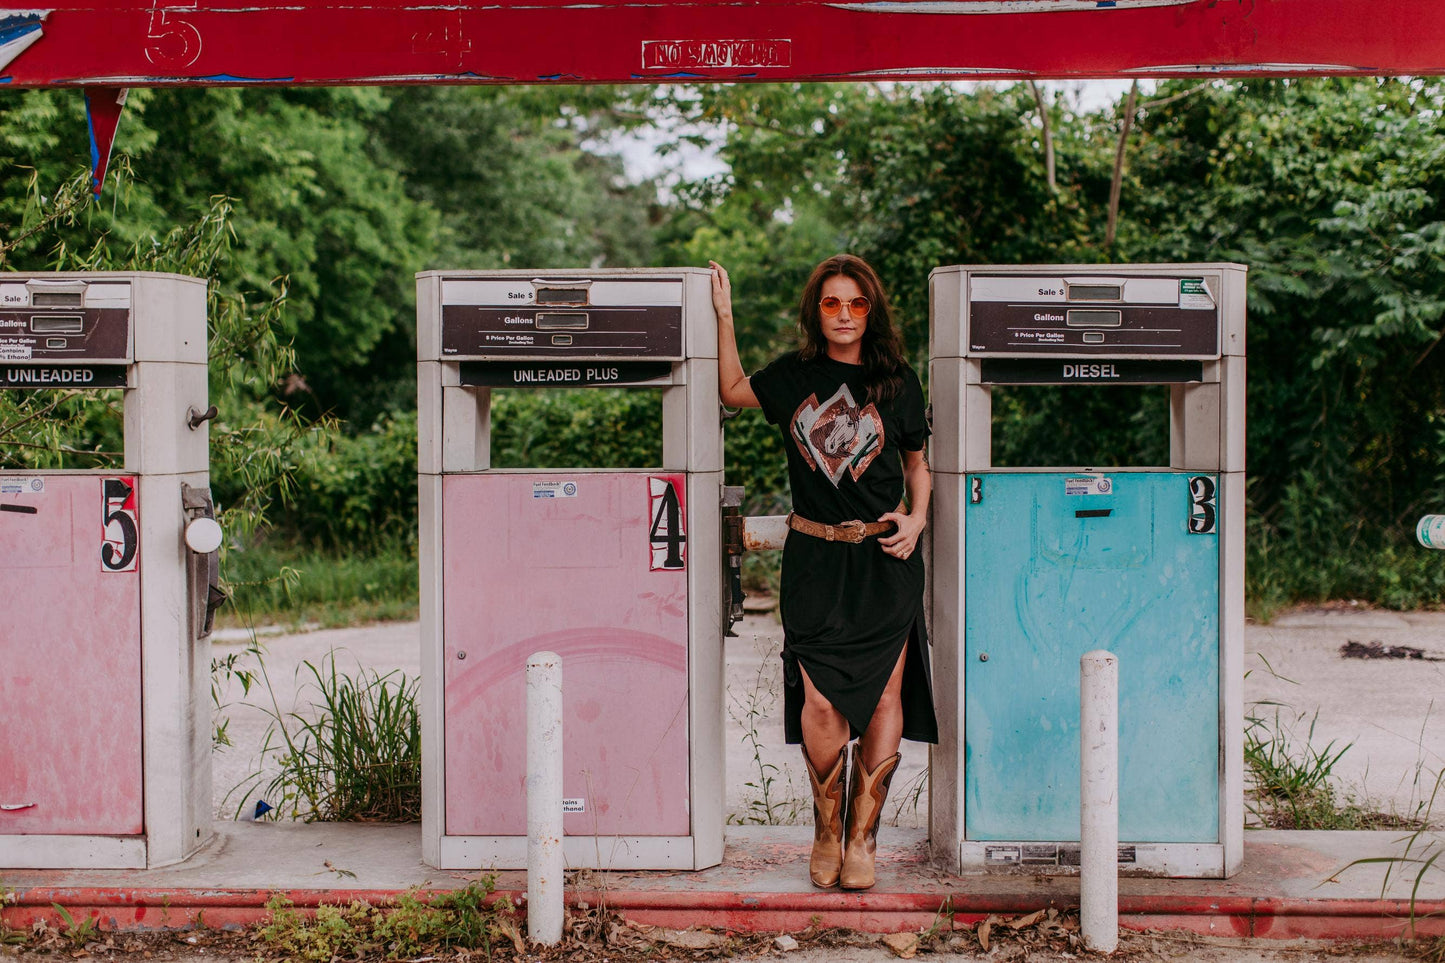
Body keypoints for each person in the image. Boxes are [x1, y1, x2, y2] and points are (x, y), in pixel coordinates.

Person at [711, 254, 937, 890]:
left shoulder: (897, 382)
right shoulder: (793, 377)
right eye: (832, 304)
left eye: (856, 304)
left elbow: (918, 464)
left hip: (884, 560)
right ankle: (825, 830)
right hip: (814, 559)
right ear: (816, 311)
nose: (844, 315)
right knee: (819, 697)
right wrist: (726, 317)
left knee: (886, 696)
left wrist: (917, 521)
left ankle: (863, 841)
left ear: (872, 311)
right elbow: (730, 391)